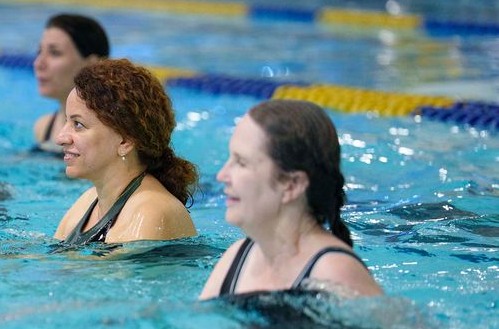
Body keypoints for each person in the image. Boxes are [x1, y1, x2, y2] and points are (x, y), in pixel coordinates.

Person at [200, 100, 383, 299]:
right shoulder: (237, 259)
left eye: (241, 162)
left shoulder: (334, 274)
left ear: (291, 184)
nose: (222, 175)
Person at [53, 59, 198, 244]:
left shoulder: (150, 212)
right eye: (66, 121)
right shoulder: (88, 201)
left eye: (78, 124)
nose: (61, 137)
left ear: (125, 141)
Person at [32, 14, 109, 154]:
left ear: (92, 64)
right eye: (39, 52)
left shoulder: (109, 132)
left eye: (54, 53)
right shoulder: (43, 127)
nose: (38, 63)